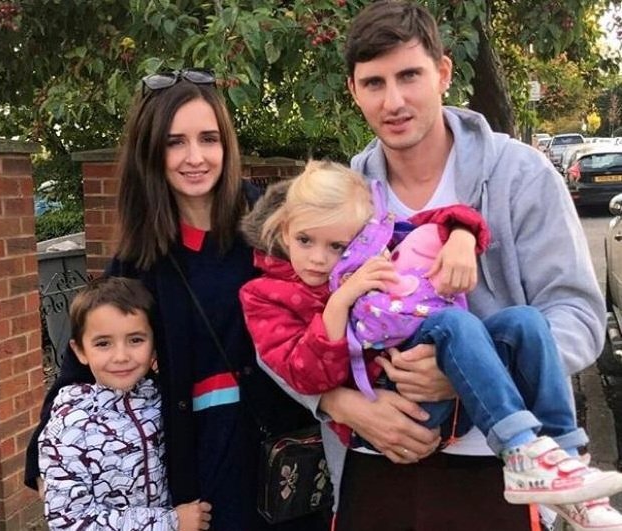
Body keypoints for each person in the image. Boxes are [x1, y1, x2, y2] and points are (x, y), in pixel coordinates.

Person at [253, 2, 611, 530]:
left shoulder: (521, 176)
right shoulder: (344, 194)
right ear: (353, 90)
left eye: (409, 76)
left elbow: (577, 316)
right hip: (377, 457)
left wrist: (466, 371)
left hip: (494, 469)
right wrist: (339, 404)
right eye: (374, 83)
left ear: (443, 72)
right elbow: (275, 323)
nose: (393, 101)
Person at [239, 161, 622, 531]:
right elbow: (302, 372)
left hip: (450, 416)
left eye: (338, 246)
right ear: (285, 232)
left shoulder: (365, 231)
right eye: (305, 240)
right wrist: (339, 305)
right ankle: (520, 451)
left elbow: (432, 221)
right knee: (455, 323)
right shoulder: (267, 291)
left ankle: (566, 460)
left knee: (525, 322)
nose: (320, 258)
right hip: (389, 410)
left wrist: (461, 235)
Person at [25, 68, 329, 531]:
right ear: (152, 151)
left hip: (282, 456)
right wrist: (41, 460)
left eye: (208, 139)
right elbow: (83, 363)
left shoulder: (279, 229)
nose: (195, 157)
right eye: (175, 142)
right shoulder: (141, 258)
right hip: (201, 466)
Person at [39, 276, 212, 530]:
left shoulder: (163, 403)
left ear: (155, 346)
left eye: (135, 340)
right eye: (103, 343)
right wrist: (170, 522)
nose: (121, 356)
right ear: (80, 351)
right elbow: (69, 519)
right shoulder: (68, 426)